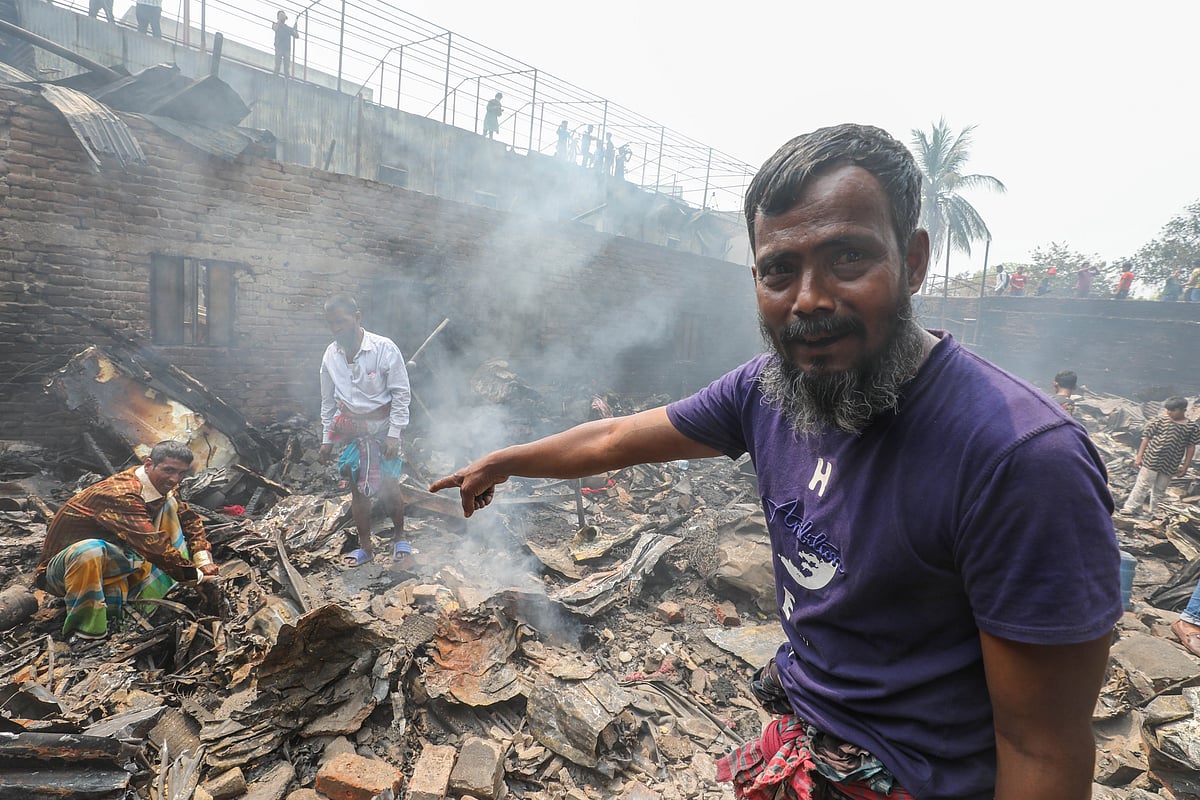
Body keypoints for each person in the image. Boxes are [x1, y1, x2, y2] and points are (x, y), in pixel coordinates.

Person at [431, 123, 1121, 800]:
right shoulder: (763, 391)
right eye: (779, 270)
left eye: (848, 257)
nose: (809, 299)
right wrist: (505, 462)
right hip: (806, 734)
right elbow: (614, 439)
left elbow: (1042, 750)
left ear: (912, 261)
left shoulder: (1021, 460)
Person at [33, 441, 219, 641]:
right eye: (169, 470)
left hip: (115, 557)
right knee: (89, 550)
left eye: (182, 473)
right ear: (148, 464)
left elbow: (190, 520)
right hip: (61, 574)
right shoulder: (122, 494)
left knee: (169, 505)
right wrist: (195, 577)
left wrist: (202, 560)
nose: (175, 479)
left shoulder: (162, 488)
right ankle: (87, 634)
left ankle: (142, 597)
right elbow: (153, 546)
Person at [319, 293, 412, 566]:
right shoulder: (330, 354)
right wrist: (326, 439)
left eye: (341, 322)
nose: (336, 329)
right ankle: (366, 548)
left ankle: (399, 536)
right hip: (353, 431)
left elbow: (401, 394)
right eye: (331, 323)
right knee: (358, 491)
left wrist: (394, 434)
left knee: (390, 487)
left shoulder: (384, 348)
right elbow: (328, 401)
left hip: (383, 431)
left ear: (357, 317)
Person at [1120, 397, 1199, 518]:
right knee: (1143, 484)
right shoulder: (1160, 421)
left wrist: (1185, 466)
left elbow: (1191, 447)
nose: (1169, 412)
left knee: (1160, 489)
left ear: (1183, 410)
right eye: (1168, 410)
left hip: (1171, 463)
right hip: (1152, 458)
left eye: (1173, 410)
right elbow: (1146, 438)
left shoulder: (1192, 427)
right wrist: (1139, 457)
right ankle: (1131, 507)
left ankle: (1155, 513)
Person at [272, 11, 299, 77]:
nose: (282, 17)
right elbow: (275, 28)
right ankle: (275, 77)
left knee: (286, 68)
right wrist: (279, 20)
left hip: (286, 49)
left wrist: (295, 28)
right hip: (279, 48)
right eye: (281, 15)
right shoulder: (276, 25)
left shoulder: (287, 28)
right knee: (277, 66)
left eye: (283, 16)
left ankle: (286, 79)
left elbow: (296, 35)